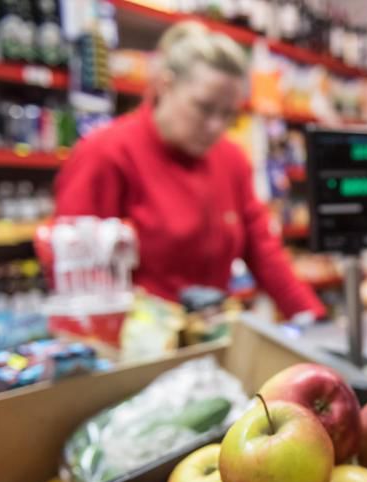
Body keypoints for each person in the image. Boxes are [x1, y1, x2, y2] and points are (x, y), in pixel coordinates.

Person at [54, 21, 325, 320]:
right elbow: (74, 275)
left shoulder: (231, 159)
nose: (216, 126)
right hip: (134, 350)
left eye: (228, 114)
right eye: (204, 108)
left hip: (210, 341)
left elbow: (265, 252)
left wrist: (313, 320)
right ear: (166, 85)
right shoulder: (105, 154)